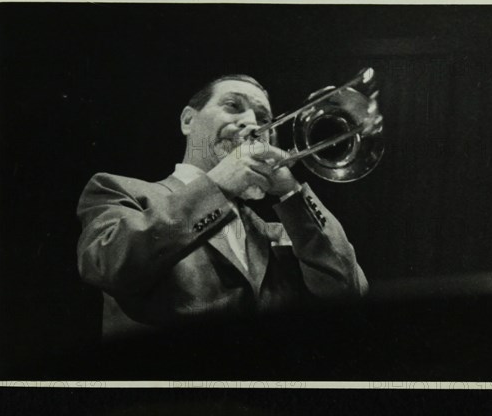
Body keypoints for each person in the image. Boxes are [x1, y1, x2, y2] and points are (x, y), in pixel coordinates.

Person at [76, 74, 371, 340]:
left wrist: (290, 192)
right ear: (188, 121)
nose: (253, 124)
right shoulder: (119, 190)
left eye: (262, 117)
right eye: (233, 105)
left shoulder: (279, 230)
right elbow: (108, 265)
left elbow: (348, 295)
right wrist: (217, 186)